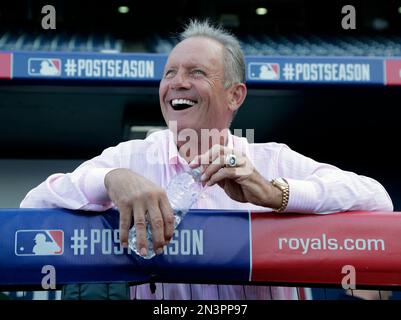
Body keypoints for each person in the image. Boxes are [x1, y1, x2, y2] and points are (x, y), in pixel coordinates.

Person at [20, 19, 393, 300]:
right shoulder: (129, 157)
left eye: (196, 73)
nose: (176, 83)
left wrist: (274, 194)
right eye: (169, 73)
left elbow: (377, 198)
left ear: (235, 96)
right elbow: (32, 206)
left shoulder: (272, 160)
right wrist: (109, 180)